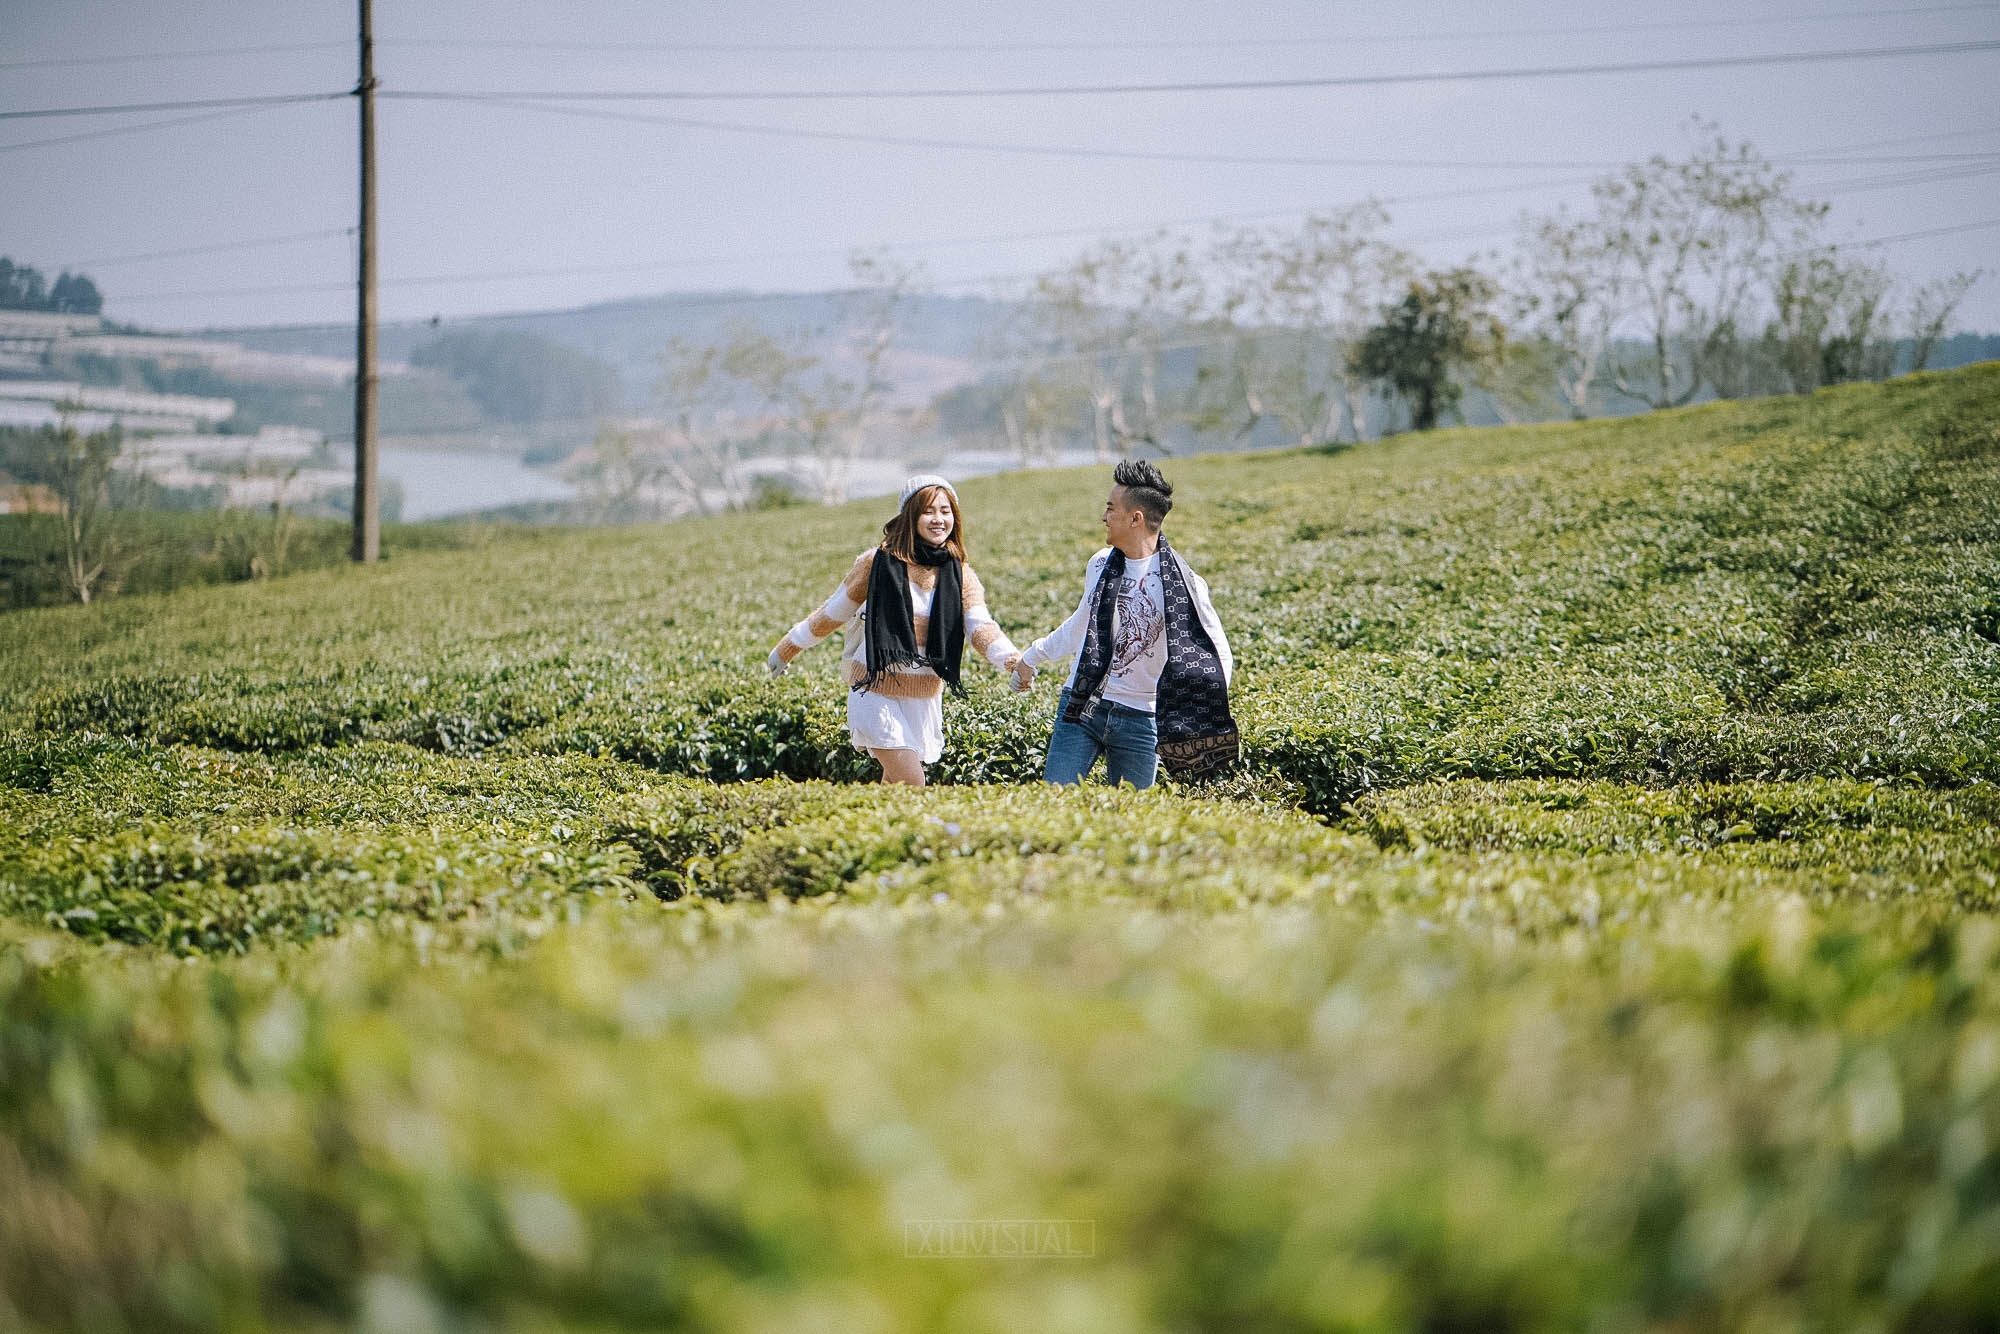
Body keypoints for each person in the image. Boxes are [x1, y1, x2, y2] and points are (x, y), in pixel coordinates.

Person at [767, 475, 1024, 787]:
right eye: (929, 511)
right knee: (912, 782)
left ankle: (857, 832)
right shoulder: (876, 563)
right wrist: (786, 648)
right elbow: (833, 613)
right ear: (910, 516)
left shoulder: (960, 574)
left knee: (895, 789)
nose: (939, 519)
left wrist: (1012, 660)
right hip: (874, 688)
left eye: (946, 511)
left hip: (923, 697)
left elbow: (981, 627)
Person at [1012, 460, 1238, 789]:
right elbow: (1080, 624)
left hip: (1141, 719)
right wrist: (1031, 658)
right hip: (1083, 704)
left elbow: (1219, 655)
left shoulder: (1185, 584)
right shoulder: (1100, 564)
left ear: (1136, 518)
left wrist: (1198, 712)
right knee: (1054, 799)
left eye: (1110, 509)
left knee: (1129, 818)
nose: (1103, 517)